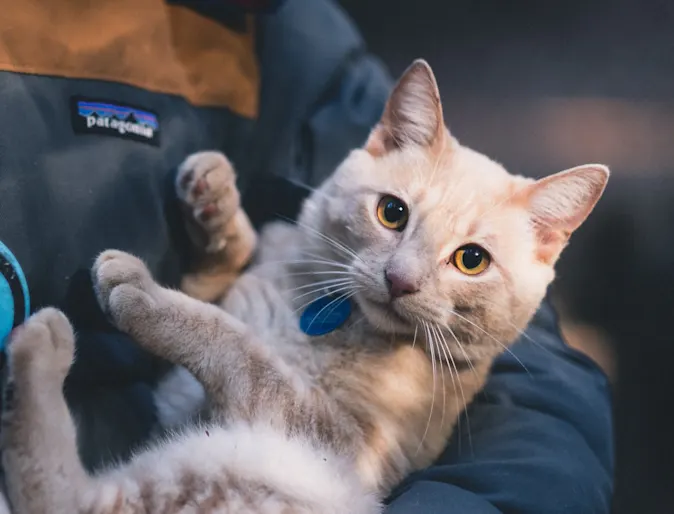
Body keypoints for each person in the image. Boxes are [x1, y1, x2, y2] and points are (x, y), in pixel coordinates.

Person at [0, 0, 613, 512]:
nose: (404, 277)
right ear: (385, 142)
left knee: (287, 471)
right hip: (133, 441)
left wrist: (203, 332)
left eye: (470, 259)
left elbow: (550, 412)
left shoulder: (297, 42)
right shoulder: (320, 239)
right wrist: (226, 255)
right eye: (394, 215)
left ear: (545, 242)